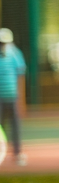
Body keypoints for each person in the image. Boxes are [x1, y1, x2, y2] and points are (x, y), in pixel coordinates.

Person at [0, 27, 23, 166]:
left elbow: (20, 75)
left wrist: (21, 100)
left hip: (12, 96)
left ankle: (17, 153)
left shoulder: (15, 54)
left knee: (15, 125)